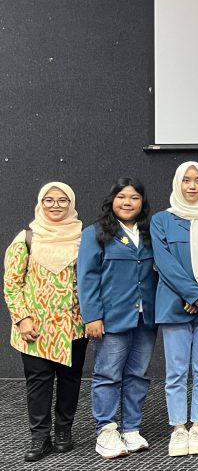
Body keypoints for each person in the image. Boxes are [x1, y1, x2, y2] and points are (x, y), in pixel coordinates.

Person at [3, 182, 86, 462]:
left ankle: (63, 432)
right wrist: (22, 319)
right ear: (40, 203)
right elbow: (12, 284)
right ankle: (39, 438)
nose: (56, 205)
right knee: (38, 382)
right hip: (35, 328)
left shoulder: (83, 238)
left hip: (73, 324)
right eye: (49, 200)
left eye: (62, 200)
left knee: (70, 380)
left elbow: (92, 279)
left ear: (71, 203)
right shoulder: (26, 238)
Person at [77, 178, 158, 459]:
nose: (127, 202)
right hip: (111, 317)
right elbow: (87, 278)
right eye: (122, 197)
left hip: (146, 316)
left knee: (138, 374)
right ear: (112, 200)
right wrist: (92, 316)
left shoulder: (150, 232)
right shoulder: (96, 233)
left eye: (134, 197)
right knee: (108, 374)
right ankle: (106, 430)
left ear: (142, 202)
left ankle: (131, 427)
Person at [151, 161, 198, 457]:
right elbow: (165, 262)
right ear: (177, 184)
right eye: (187, 180)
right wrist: (193, 293)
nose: (192, 186)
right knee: (176, 371)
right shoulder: (162, 220)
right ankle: (178, 428)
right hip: (174, 304)